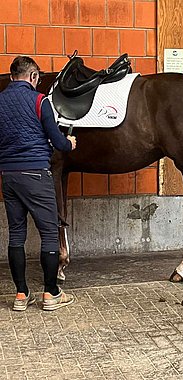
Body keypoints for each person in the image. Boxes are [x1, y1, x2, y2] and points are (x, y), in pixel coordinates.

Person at [0, 56, 77, 311]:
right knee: (48, 234)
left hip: (9, 177)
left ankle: (21, 295)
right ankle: (51, 293)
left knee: (17, 236)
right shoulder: (39, 100)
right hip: (36, 174)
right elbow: (57, 141)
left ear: (12, 77)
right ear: (34, 77)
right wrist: (70, 143)